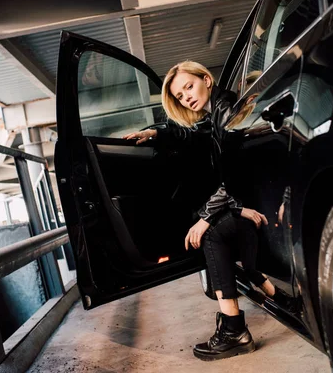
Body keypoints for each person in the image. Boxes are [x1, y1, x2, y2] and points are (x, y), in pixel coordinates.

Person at [123, 61, 293, 361]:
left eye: (188, 87)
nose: (186, 97)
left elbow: (234, 178)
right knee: (217, 227)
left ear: (206, 79)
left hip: (266, 200)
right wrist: (157, 133)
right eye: (179, 96)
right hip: (255, 199)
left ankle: (234, 330)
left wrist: (206, 218)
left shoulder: (227, 113)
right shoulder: (217, 113)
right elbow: (196, 137)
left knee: (212, 233)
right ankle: (278, 299)